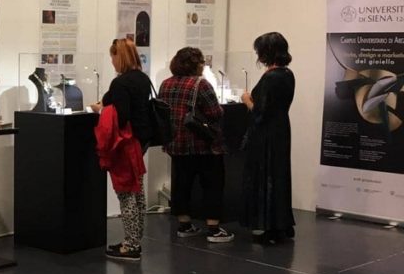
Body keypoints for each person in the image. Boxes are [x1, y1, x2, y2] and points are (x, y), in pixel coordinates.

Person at [159, 47, 233, 243]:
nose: (203, 66)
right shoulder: (201, 84)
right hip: (202, 144)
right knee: (212, 184)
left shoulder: (166, 84)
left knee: (181, 185)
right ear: (194, 64)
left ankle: (184, 225)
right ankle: (213, 228)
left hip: (176, 143)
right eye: (201, 62)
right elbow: (215, 113)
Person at [92, 38, 152, 261]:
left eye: (113, 56)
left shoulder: (120, 83)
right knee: (137, 191)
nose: (111, 61)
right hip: (141, 140)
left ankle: (131, 245)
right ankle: (135, 239)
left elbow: (121, 115)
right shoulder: (142, 79)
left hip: (126, 142)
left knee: (126, 192)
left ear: (120, 56)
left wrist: (101, 110)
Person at [241, 32, 295, 244]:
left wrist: (247, 99)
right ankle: (282, 224)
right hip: (281, 129)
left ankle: (271, 228)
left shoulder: (271, 77)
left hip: (266, 134)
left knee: (267, 177)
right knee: (279, 175)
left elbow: (260, 113)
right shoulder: (287, 74)